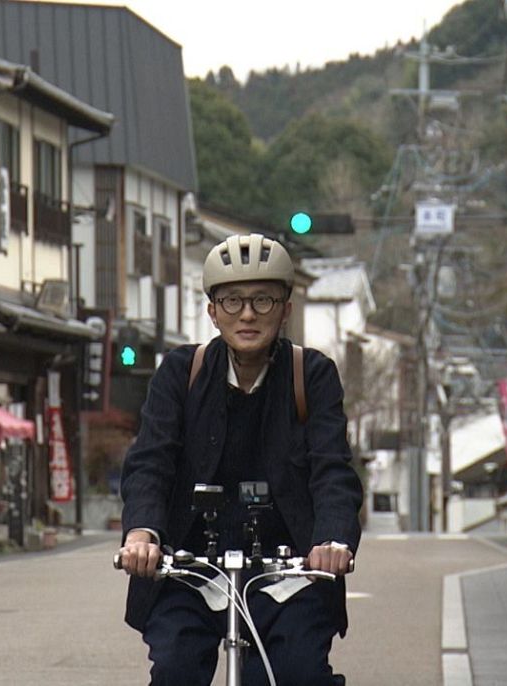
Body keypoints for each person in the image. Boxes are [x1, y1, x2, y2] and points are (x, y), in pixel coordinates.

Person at [116, 233, 363, 685]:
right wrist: (142, 533)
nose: (247, 314)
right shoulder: (180, 372)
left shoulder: (311, 375)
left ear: (286, 308)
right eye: (231, 301)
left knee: (296, 673)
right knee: (175, 668)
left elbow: (332, 470)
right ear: (212, 311)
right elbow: (151, 461)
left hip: (287, 572)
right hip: (191, 567)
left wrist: (332, 541)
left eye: (263, 300)